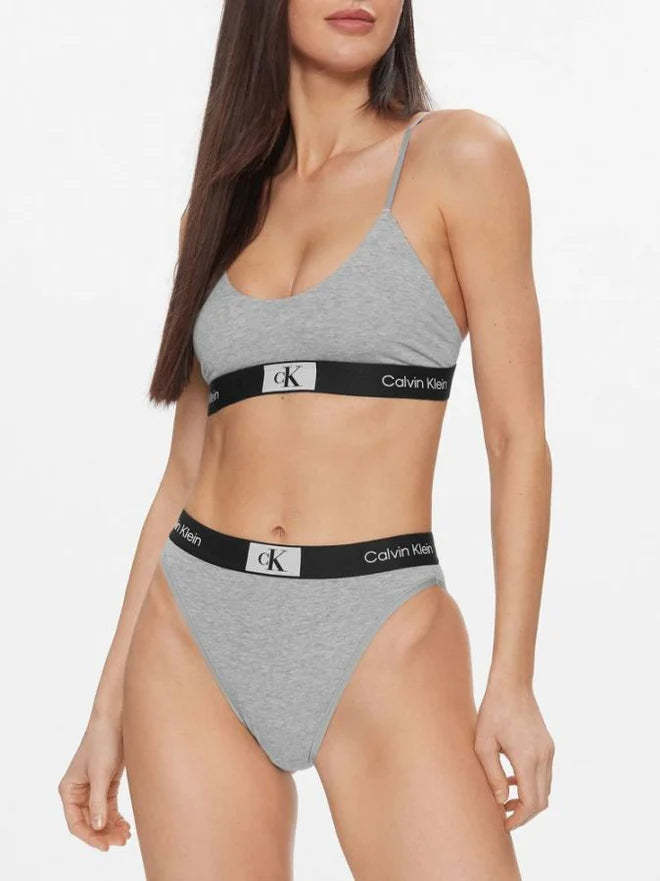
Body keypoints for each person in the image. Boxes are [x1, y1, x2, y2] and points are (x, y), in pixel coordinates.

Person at [58, 1, 555, 878]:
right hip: (193, 635)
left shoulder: (460, 159)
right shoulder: (219, 208)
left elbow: (517, 440)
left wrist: (513, 679)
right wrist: (107, 711)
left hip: (381, 627)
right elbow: (185, 469)